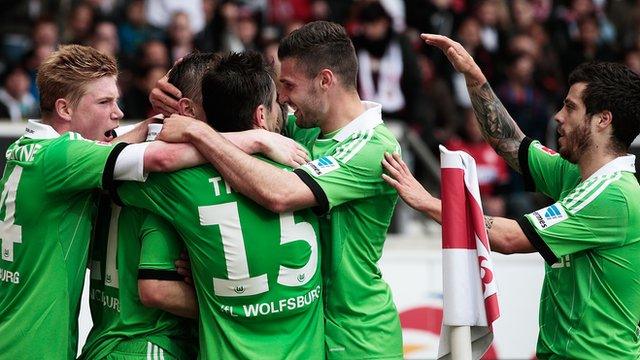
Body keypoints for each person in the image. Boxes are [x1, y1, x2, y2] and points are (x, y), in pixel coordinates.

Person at [154, 21, 403, 359]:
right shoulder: (303, 128)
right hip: (306, 334)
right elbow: (238, 104)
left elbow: (280, 194)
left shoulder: (372, 148)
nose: (282, 98)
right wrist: (174, 85)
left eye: (288, 85)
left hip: (359, 337)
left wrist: (198, 133)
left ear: (325, 80)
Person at [382, 33, 640, 359]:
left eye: (571, 107)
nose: (558, 116)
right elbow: (509, 142)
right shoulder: (577, 174)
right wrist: (474, 77)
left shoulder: (613, 195)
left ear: (602, 120)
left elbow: (509, 238)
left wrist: (426, 200)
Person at [113, 51, 324, 359]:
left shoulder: (177, 180)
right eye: (278, 105)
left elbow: (106, 164)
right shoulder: (306, 158)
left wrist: (164, 124)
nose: (286, 112)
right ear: (262, 116)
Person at [0, 44, 198, 360]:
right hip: (31, 348)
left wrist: (151, 122)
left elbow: (106, 151)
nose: (118, 113)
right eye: (105, 102)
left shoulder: (32, 151)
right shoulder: (61, 157)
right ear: (65, 109)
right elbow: (162, 158)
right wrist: (255, 140)